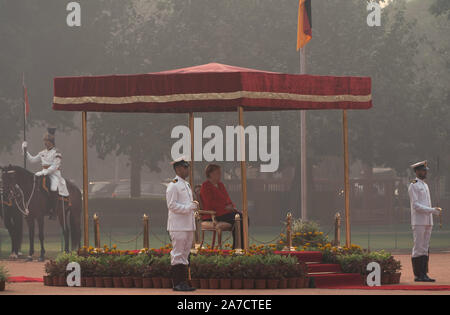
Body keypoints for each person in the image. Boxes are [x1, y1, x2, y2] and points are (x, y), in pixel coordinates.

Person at [21, 128, 69, 220]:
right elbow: (32, 160)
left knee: (53, 187)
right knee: (34, 185)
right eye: (44, 141)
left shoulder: (57, 152)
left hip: (54, 174)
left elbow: (55, 166)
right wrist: (25, 150)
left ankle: (54, 211)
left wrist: (44, 172)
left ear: (51, 142)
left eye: (46, 141)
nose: (45, 143)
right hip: (43, 173)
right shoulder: (42, 152)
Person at [166, 156, 198, 291]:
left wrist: (192, 207)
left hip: (188, 224)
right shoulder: (173, 185)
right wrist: (188, 208)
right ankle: (177, 283)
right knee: (178, 253)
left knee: (185, 254)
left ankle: (183, 282)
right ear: (178, 169)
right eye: (185, 167)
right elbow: (171, 205)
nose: (187, 170)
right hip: (178, 225)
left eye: (187, 167)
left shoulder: (186, 184)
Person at [408, 160, 443, 282]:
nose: (425, 172)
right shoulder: (414, 185)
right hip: (418, 221)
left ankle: (424, 273)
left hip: (428, 220)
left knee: (425, 247)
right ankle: (418, 274)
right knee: (418, 247)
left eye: (425, 171)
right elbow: (416, 206)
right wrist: (432, 210)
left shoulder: (425, 185)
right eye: (423, 170)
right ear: (417, 171)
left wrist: (433, 212)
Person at [200, 164, 246, 249]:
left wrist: (232, 207)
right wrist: (225, 208)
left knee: (243, 218)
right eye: (218, 173)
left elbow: (227, 199)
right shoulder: (205, 186)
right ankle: (238, 247)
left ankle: (239, 246)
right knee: (239, 219)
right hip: (213, 215)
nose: (220, 175)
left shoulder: (220, 185)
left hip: (225, 213)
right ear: (210, 174)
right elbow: (209, 203)